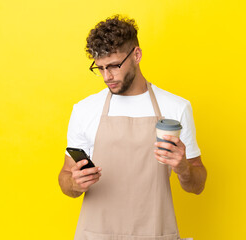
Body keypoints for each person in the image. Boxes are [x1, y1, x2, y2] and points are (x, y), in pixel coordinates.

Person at [58, 15, 207, 240]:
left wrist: (184, 168)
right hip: (97, 235)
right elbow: (66, 177)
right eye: (100, 68)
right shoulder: (85, 110)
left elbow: (198, 185)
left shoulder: (176, 108)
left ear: (136, 55)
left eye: (114, 66)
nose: (107, 76)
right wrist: (75, 183)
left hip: (155, 233)